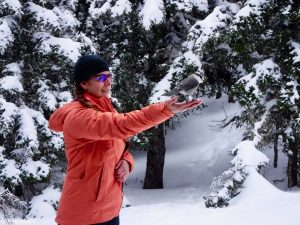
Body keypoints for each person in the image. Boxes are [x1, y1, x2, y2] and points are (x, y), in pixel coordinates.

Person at [49, 55, 202, 225]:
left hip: (110, 209)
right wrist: (165, 109)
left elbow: (117, 145)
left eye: (109, 76)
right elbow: (122, 125)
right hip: (83, 215)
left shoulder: (104, 106)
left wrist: (126, 162)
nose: (108, 81)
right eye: (100, 77)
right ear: (83, 84)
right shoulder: (78, 117)